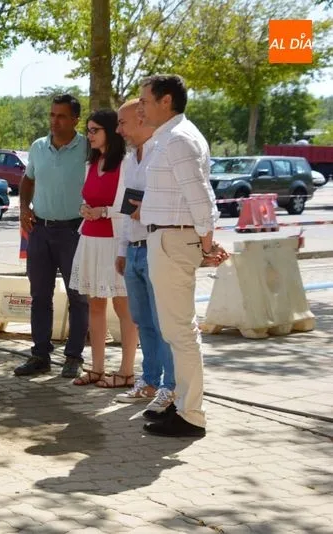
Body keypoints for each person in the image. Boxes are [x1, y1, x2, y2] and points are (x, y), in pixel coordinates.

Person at [137, 74, 228, 438]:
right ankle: (183, 403)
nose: (140, 106)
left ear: (166, 100)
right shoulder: (169, 138)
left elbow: (202, 200)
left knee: (180, 331)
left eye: (145, 100)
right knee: (176, 329)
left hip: (174, 241)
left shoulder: (179, 140)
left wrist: (207, 245)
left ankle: (191, 414)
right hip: (167, 239)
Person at [13, 94, 90, 379]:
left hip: (75, 231)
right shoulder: (38, 147)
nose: (54, 121)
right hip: (40, 231)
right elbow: (28, 179)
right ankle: (40, 355)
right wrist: (23, 208)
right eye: (52, 115)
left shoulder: (88, 148)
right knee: (39, 295)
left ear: (75, 120)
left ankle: (74, 357)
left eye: (61, 116)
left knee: (78, 296)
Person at [114, 99, 176, 415]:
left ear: (141, 119)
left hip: (158, 248)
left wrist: (147, 211)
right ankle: (150, 381)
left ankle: (171, 387)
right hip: (136, 252)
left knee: (165, 323)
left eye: (122, 123)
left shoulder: (162, 153)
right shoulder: (129, 161)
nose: (118, 130)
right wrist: (123, 249)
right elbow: (128, 210)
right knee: (143, 321)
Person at [67, 109, 139, 388]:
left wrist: (103, 212)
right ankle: (96, 368)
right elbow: (87, 198)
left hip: (114, 242)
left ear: (110, 131)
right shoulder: (90, 164)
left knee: (123, 305)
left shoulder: (125, 163)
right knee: (95, 305)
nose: (90, 135)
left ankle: (126, 370)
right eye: (89, 130)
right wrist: (85, 209)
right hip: (90, 241)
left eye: (95, 130)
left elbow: (128, 206)